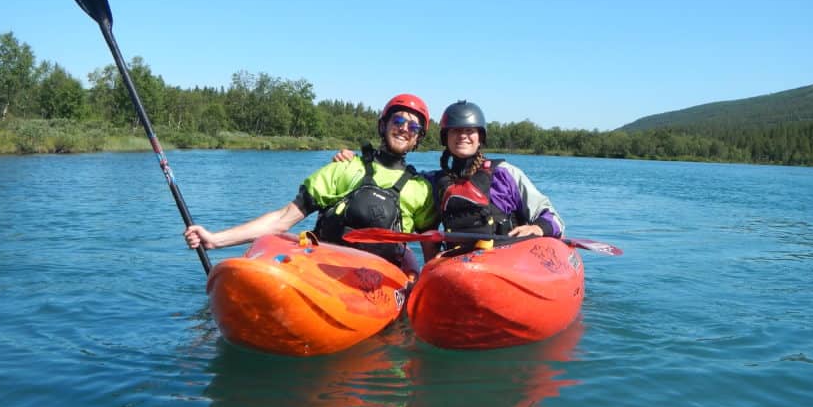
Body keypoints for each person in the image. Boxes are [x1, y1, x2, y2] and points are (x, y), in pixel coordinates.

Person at [184, 93, 436, 274]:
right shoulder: (344, 168)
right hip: (324, 270)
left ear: (418, 139)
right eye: (398, 121)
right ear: (383, 125)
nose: (405, 129)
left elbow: (430, 247)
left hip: (375, 283)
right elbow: (283, 218)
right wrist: (215, 240)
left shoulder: (421, 189)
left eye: (413, 126)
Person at [333, 99, 564, 253]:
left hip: (510, 259)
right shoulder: (432, 182)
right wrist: (356, 161)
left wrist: (538, 229)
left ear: (480, 137)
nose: (463, 136)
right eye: (455, 131)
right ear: (446, 138)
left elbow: (551, 217)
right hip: (461, 266)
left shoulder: (506, 174)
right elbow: (389, 179)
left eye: (469, 131)